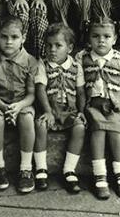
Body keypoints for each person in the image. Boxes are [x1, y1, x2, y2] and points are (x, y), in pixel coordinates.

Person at [76, 19, 120, 200]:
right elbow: (81, 90)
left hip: (116, 107)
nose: (101, 41)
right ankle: (100, 175)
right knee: (97, 130)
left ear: (114, 39)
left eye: (107, 36)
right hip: (94, 107)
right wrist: (81, 111)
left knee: (116, 132)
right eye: (95, 36)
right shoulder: (82, 58)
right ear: (89, 39)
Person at [0, 16, 38, 193]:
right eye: (4, 37)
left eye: (14, 37)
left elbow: (31, 94)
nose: (8, 42)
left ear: (23, 38)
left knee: (27, 119)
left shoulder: (30, 61)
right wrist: (3, 107)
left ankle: (25, 169)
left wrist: (19, 106)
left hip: (22, 103)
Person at [33, 24, 87, 193]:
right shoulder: (42, 64)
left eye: (58, 45)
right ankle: (41, 169)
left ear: (69, 48)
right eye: (49, 45)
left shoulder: (76, 67)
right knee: (40, 125)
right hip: (49, 109)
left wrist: (81, 111)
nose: (52, 50)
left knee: (79, 128)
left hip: (69, 111)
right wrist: (47, 111)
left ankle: (69, 170)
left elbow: (80, 92)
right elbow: (40, 89)